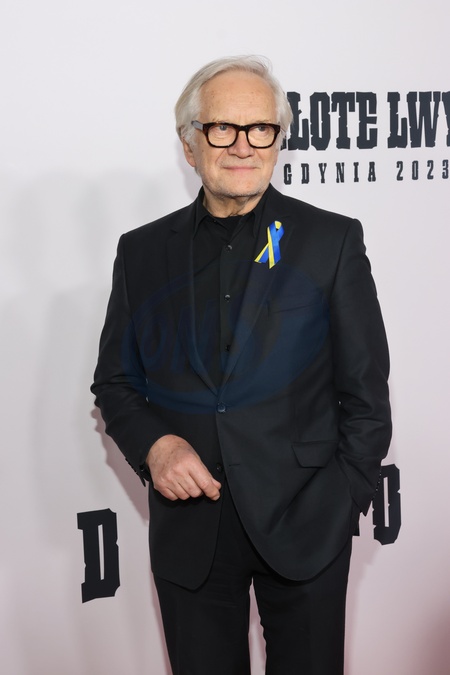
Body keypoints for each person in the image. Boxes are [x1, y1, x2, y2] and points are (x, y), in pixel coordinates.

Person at [91, 55, 391, 675]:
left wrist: (342, 499)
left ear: (279, 140)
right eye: (222, 128)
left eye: (261, 128)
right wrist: (156, 448)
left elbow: (366, 393)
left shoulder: (331, 242)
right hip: (191, 529)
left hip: (307, 520)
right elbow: (115, 381)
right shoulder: (141, 252)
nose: (243, 145)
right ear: (190, 143)